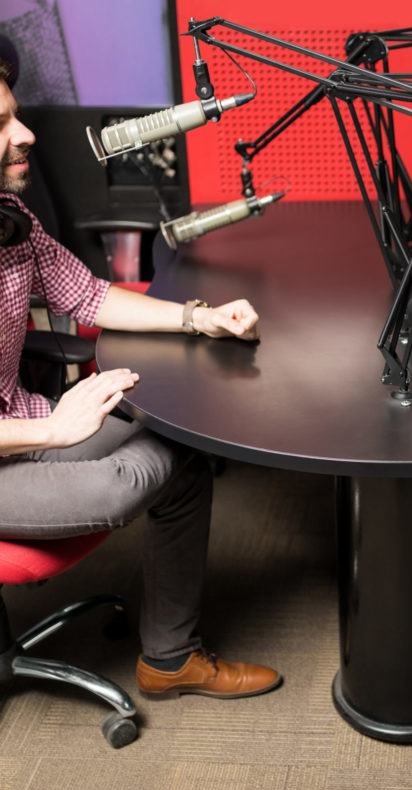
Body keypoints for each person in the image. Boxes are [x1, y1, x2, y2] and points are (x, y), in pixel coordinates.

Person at [0, 56, 282, 699]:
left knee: (183, 451)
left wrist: (196, 318)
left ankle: (170, 659)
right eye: (2, 123)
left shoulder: (8, 221)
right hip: (14, 443)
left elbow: (90, 296)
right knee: (125, 477)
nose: (27, 135)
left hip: (18, 422)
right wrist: (59, 423)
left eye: (15, 115)